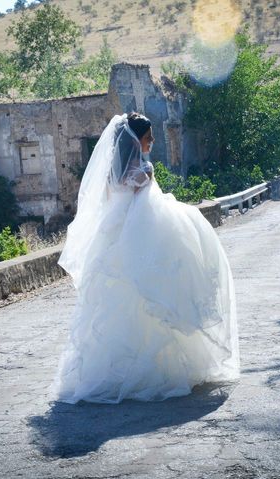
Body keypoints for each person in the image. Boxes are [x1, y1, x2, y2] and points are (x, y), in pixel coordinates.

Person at [52, 112, 239, 403]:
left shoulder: (113, 174)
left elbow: (115, 201)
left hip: (116, 236)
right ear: (135, 139)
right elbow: (145, 200)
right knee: (150, 296)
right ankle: (154, 372)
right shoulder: (143, 170)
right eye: (148, 136)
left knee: (126, 303)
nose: (152, 141)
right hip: (138, 236)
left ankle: (127, 369)